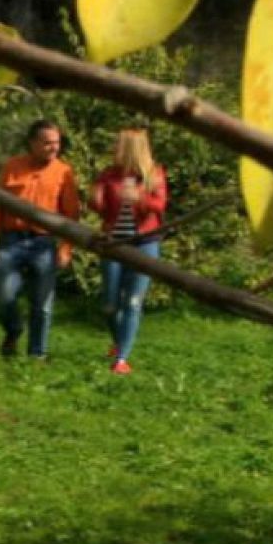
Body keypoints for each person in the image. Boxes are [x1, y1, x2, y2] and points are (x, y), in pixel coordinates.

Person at [0, 119, 80, 359]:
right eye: (47, 143)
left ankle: (37, 355)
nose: (53, 148)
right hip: (11, 240)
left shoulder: (64, 171)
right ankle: (13, 330)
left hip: (43, 243)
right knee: (5, 295)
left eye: (56, 143)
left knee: (42, 304)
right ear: (33, 143)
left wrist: (66, 248)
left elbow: (71, 215)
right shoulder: (13, 166)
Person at [91, 128, 167, 375]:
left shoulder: (153, 174)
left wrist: (139, 199)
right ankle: (118, 341)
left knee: (133, 302)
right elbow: (100, 209)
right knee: (110, 304)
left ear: (132, 149)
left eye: (119, 145)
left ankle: (122, 358)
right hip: (115, 243)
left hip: (145, 242)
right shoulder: (109, 175)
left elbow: (160, 205)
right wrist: (96, 198)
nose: (115, 149)